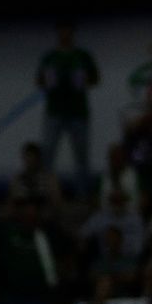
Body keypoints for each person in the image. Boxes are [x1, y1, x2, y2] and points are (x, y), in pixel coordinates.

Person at [37, 21, 100, 193]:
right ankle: (46, 193)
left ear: (72, 32)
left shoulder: (82, 56)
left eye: (68, 30)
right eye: (62, 30)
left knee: (81, 156)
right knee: (48, 153)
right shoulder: (50, 57)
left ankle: (82, 193)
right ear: (58, 33)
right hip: (54, 111)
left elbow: (95, 78)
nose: (65, 33)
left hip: (78, 111)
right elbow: (39, 81)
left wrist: (83, 80)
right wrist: (50, 82)